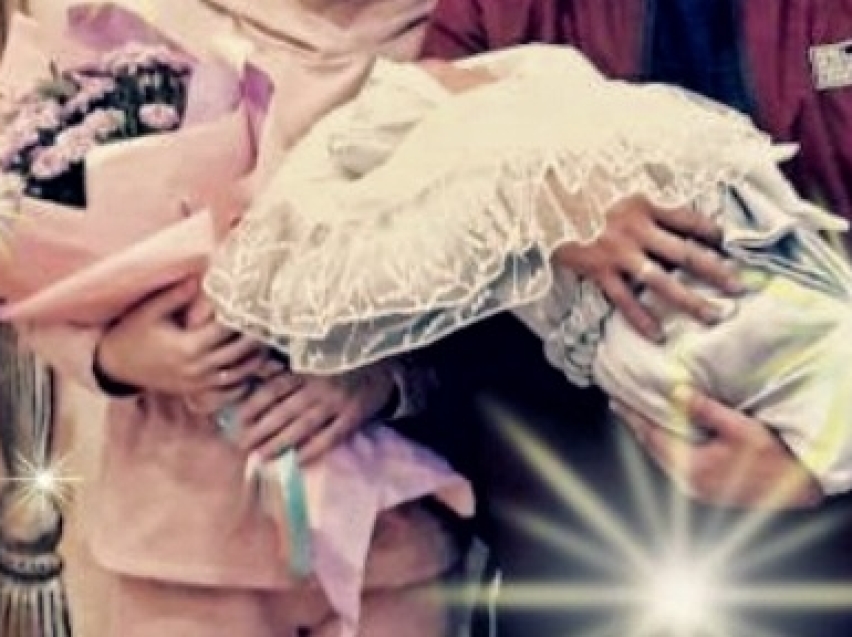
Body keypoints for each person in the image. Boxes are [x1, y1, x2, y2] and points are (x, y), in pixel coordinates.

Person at [17, 2, 472, 637]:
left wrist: (390, 378)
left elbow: (504, 268)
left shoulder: (449, 31)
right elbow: (29, 252)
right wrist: (116, 355)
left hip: (391, 533)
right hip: (183, 536)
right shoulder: (141, 20)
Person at [415, 1, 852, 636]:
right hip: (576, 508)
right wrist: (535, 204)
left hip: (823, 488)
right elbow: (397, 179)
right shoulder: (498, 11)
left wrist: (817, 468)